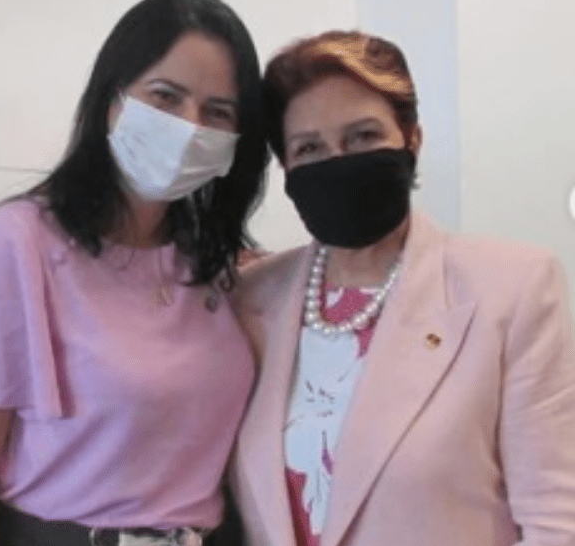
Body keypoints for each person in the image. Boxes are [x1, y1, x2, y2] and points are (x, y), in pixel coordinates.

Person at [0, 0, 268, 546]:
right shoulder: (13, 247)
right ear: (112, 100)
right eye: (165, 97)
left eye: (217, 112)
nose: (189, 126)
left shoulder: (211, 262)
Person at [229, 30, 575, 546]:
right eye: (309, 147)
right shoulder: (251, 297)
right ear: (286, 168)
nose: (338, 160)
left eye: (363, 136)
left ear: (411, 139)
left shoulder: (513, 288)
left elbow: (556, 519)